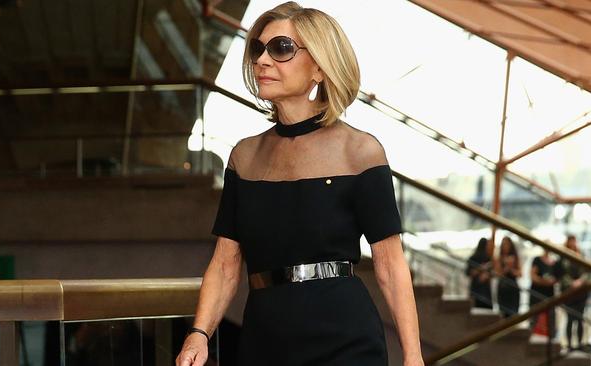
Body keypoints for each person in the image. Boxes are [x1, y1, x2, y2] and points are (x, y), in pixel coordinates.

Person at [175, 3, 423, 365]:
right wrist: (199, 334)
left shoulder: (360, 151)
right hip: (264, 340)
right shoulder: (244, 157)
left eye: (281, 48)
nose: (262, 60)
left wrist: (413, 355)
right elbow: (226, 263)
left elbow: (390, 265)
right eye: (258, 48)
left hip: (346, 340)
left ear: (320, 67)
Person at [558, 235, 588, 349]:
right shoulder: (563, 258)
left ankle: (580, 344)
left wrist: (580, 281)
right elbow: (561, 273)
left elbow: (587, 272)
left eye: (574, 241)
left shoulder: (581, 256)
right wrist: (571, 283)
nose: (572, 244)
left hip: (581, 293)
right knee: (570, 319)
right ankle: (569, 344)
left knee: (580, 319)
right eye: (570, 241)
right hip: (568, 293)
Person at [530, 249, 559, 338]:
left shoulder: (554, 262)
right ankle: (531, 337)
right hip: (537, 292)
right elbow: (532, 275)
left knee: (551, 318)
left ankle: (551, 338)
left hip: (549, 293)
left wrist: (550, 282)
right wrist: (543, 281)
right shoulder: (537, 260)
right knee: (535, 317)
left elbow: (557, 278)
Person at [495, 236, 521, 317]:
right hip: (503, 288)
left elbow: (520, 273)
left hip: (513, 287)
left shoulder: (515, 257)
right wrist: (506, 267)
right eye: (504, 244)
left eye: (507, 244)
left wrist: (511, 268)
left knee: (514, 313)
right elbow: (497, 274)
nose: (505, 246)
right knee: (503, 313)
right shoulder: (499, 258)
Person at [466, 238, 493, 309]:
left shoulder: (488, 258)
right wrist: (481, 269)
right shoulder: (476, 258)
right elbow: (468, 272)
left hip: (481, 290)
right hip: (479, 290)